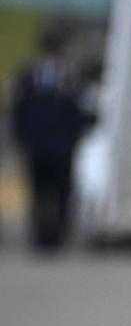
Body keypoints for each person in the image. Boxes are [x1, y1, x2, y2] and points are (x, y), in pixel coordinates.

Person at [10, 23, 87, 250]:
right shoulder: (27, 76)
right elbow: (18, 110)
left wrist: (73, 139)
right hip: (36, 143)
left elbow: (77, 112)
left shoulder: (70, 76)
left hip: (62, 144)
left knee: (62, 189)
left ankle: (59, 233)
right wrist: (21, 137)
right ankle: (40, 234)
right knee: (38, 188)